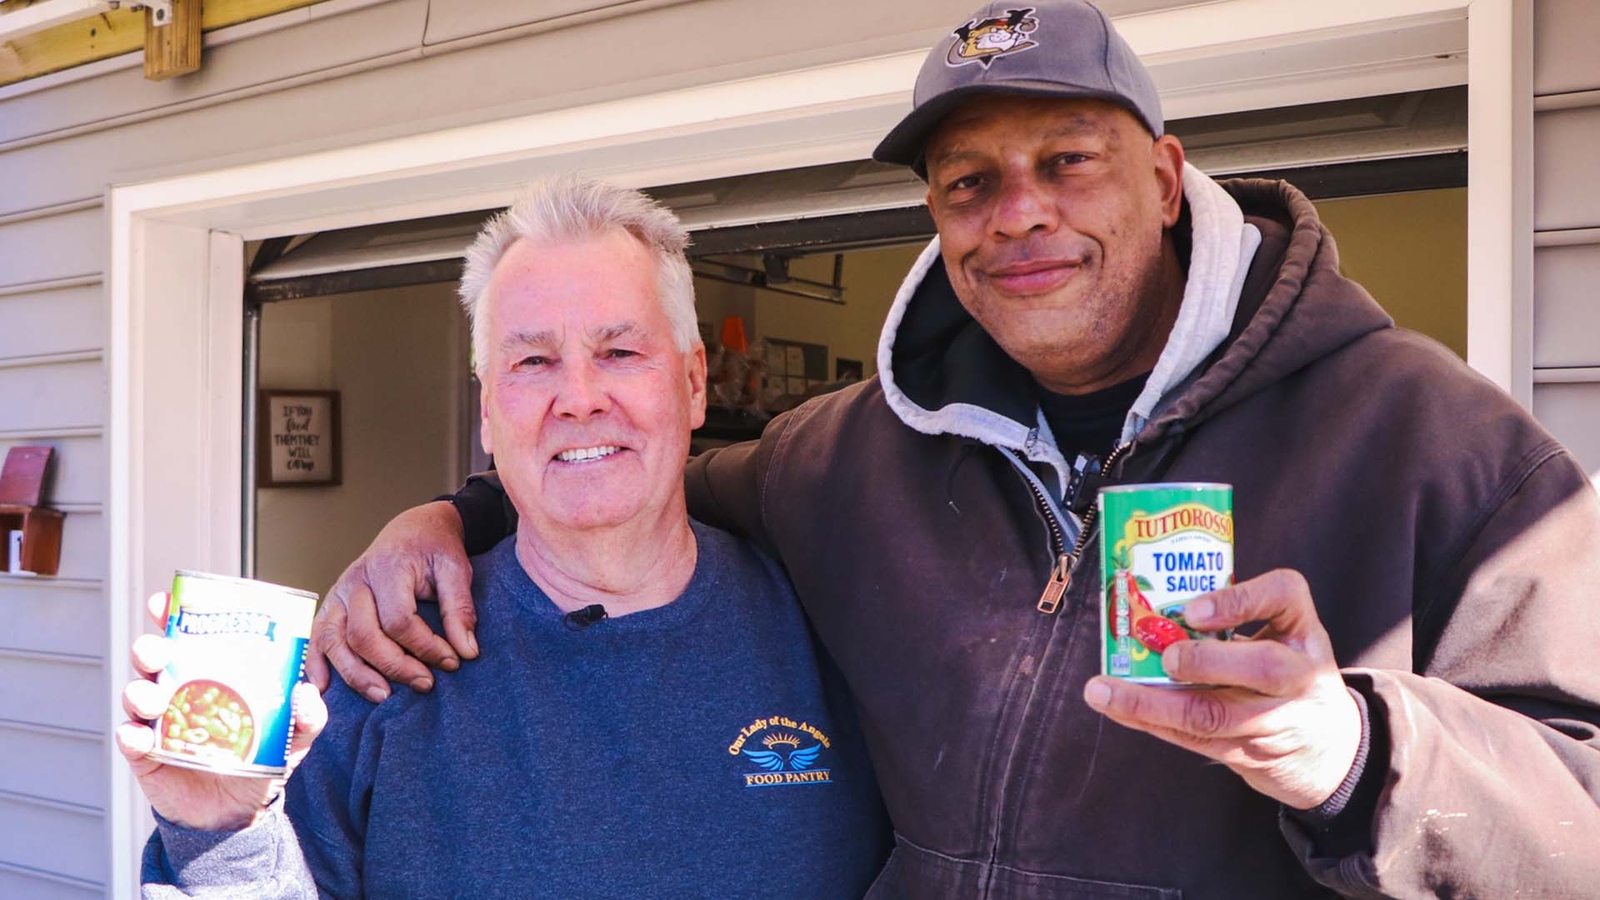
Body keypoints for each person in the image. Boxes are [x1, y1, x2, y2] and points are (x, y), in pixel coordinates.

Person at [313, 2, 1600, 897]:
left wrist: (1355, 754)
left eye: (1067, 159)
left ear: (1164, 177)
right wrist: (442, 522)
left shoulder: (1432, 442)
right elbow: (624, 482)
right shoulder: (846, 460)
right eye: (969, 182)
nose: (1018, 212)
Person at [117, 177, 890, 899]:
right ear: (488, 413)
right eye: (533, 360)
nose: (579, 398)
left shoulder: (837, 633)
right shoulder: (377, 666)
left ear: (692, 383)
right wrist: (221, 838)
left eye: (619, 352)